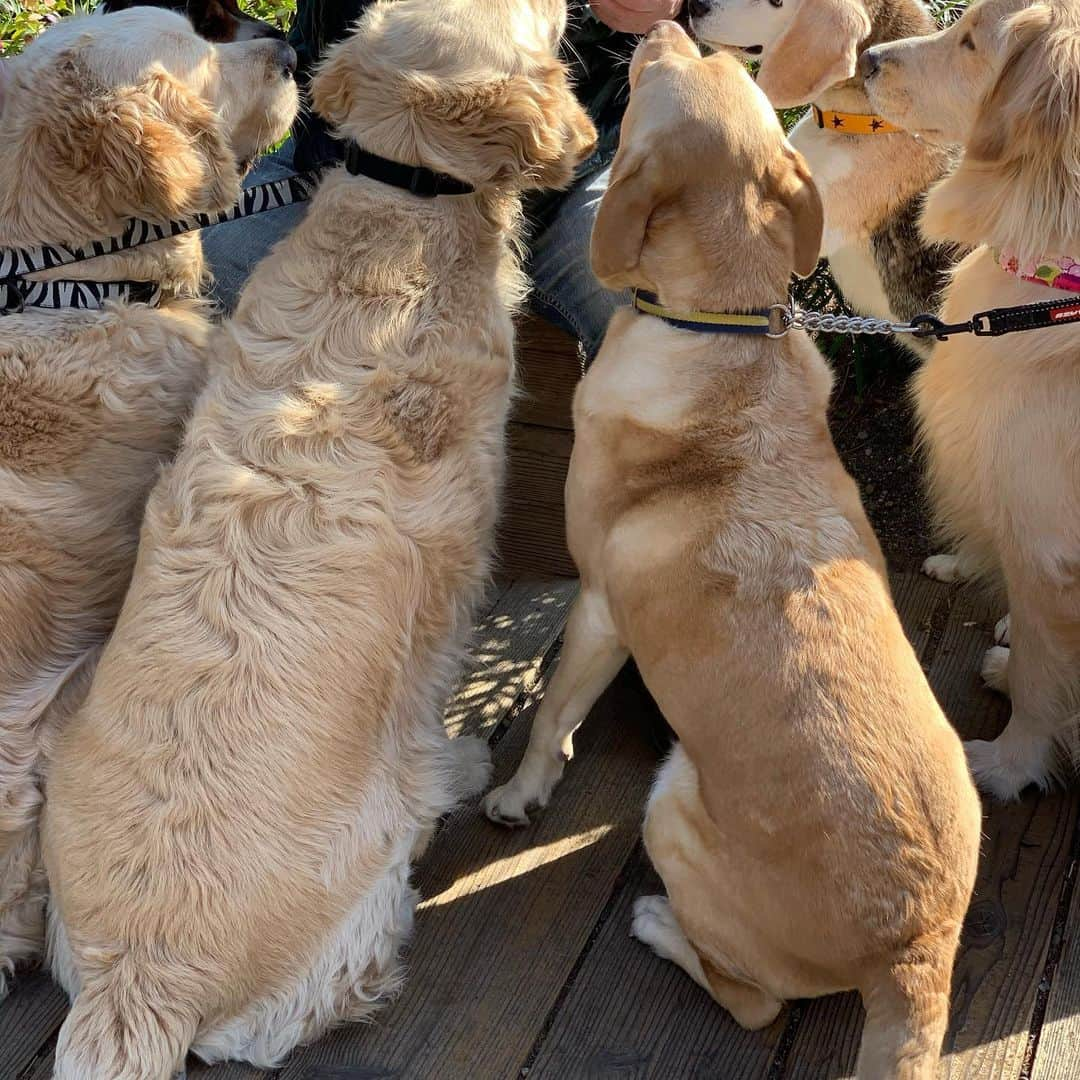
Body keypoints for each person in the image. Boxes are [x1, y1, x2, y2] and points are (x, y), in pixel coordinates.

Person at [202, 0, 683, 360]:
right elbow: (337, 80)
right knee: (215, 264)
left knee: (668, 304)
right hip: (354, 167)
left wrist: (674, 8)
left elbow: (725, 19)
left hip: (568, 184)